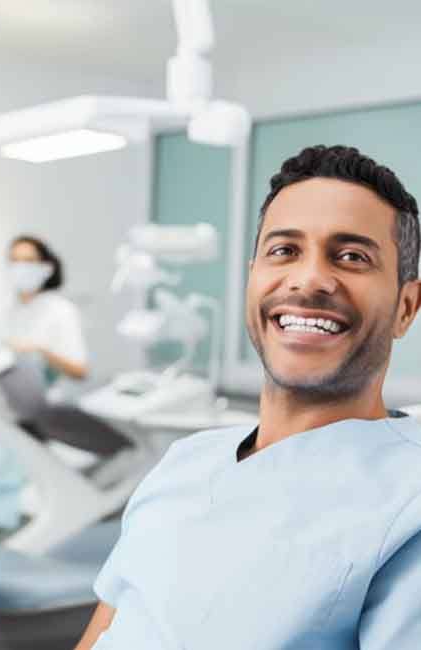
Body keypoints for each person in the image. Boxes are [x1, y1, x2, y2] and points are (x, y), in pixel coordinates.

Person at [75, 145, 421, 649]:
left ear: (406, 307)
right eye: (284, 251)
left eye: (351, 257)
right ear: (252, 276)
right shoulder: (183, 462)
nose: (309, 279)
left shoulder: (407, 503)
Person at [4, 235, 89, 384]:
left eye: (28, 261)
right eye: (14, 260)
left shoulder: (62, 310)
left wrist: (40, 352)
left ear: (46, 268)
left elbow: (80, 371)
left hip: (49, 399)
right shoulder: (10, 310)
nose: (20, 267)